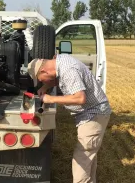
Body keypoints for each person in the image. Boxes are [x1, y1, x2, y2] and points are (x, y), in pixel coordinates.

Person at [27, 54, 111, 183]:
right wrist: (46, 87)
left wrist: (51, 99)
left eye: (41, 79)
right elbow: (56, 77)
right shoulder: (60, 61)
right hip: (92, 113)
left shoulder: (69, 70)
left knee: (82, 160)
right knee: (89, 158)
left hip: (94, 114)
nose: (42, 82)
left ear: (44, 71)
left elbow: (80, 98)